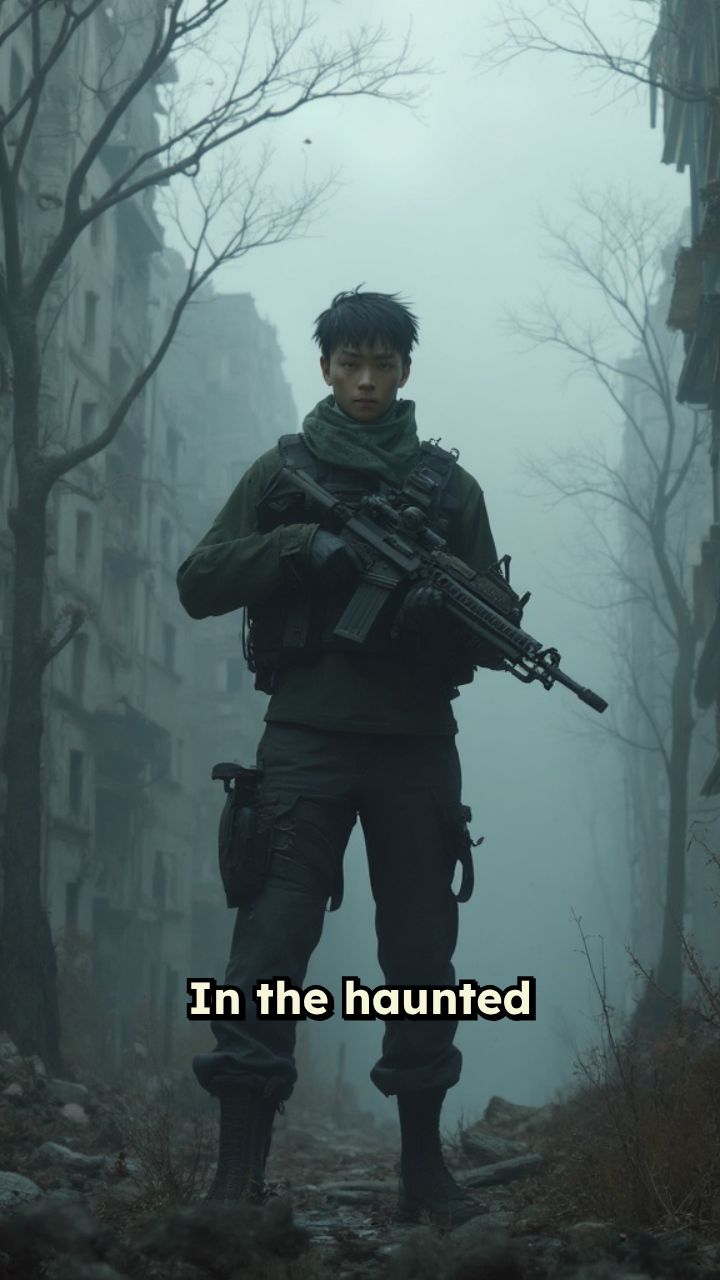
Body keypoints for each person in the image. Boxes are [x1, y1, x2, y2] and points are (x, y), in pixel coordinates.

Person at [176, 288, 500, 1226]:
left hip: (414, 747)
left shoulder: (450, 491)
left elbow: (495, 626)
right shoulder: (283, 473)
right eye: (350, 363)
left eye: (382, 365)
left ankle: (424, 1177)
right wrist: (297, 547)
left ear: (404, 371)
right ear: (326, 367)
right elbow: (199, 579)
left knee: (423, 957)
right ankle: (237, 1181)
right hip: (304, 741)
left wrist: (442, 604)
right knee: (270, 946)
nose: (365, 380)